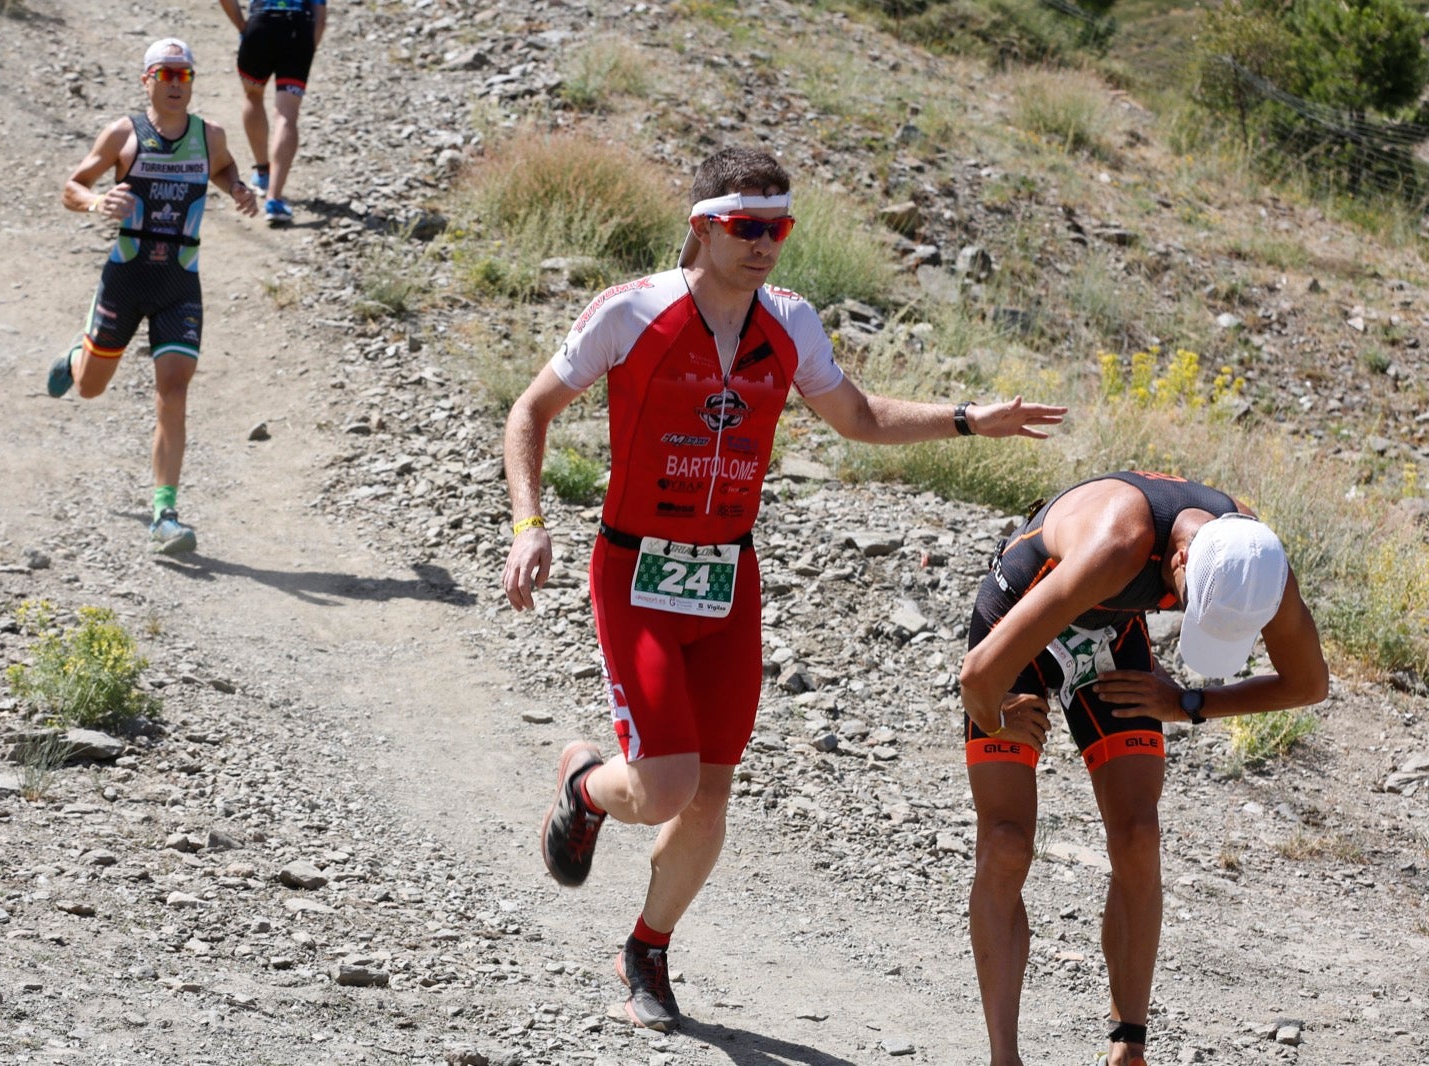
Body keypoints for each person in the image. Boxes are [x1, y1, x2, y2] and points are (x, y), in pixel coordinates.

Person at [502, 146, 1067, 1033]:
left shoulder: (791, 322)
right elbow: (530, 411)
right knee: (661, 788)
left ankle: (646, 950)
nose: (765, 243)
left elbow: (860, 417)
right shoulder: (632, 312)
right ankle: (583, 788)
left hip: (729, 577)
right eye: (746, 226)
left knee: (712, 792)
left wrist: (968, 418)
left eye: (779, 227)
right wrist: (530, 525)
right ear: (704, 226)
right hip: (637, 570)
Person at [957, 470, 1330, 1066]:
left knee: (1138, 835)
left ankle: (1129, 1045)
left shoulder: (1255, 558)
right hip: (1018, 624)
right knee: (1006, 845)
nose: (1183, 614)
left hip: (1108, 627)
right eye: (1187, 605)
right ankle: (1005, 1058)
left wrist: (1187, 702)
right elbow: (976, 674)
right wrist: (995, 715)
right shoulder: (1118, 541)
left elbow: (1309, 684)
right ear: (1180, 558)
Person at [48, 37, 258, 555]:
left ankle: (165, 513)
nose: (174, 83)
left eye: (183, 75)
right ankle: (79, 354)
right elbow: (72, 186)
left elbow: (225, 166)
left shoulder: (209, 136)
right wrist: (98, 201)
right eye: (164, 74)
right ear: (147, 80)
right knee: (92, 387)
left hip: (180, 282)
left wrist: (235, 188)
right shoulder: (124, 133)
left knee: (174, 388)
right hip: (126, 277)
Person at [216, 0, 327, 227]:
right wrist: (306, 50)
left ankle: (262, 171)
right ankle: (274, 198)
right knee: (287, 115)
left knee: (253, 96)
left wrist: (242, 26)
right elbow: (321, 17)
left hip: (262, 24)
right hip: (299, 27)